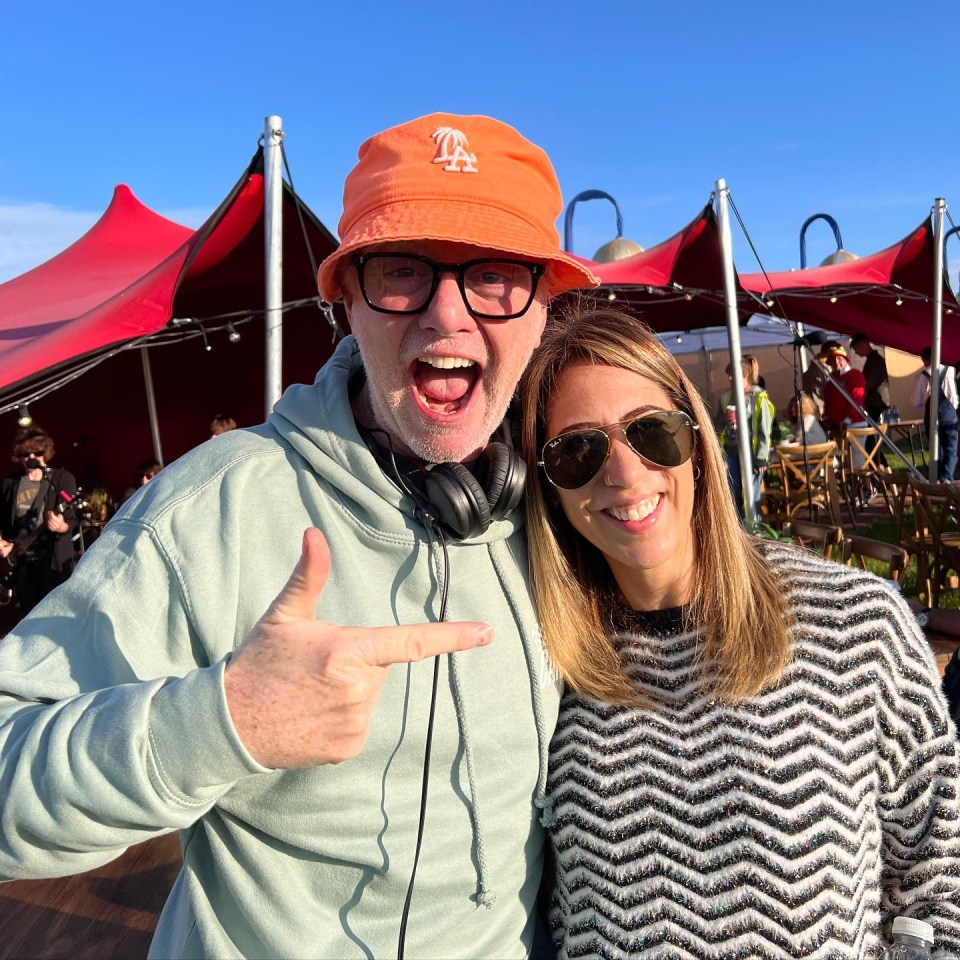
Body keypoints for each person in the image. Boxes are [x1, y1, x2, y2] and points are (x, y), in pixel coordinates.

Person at [0, 113, 599, 958]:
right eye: (401, 273)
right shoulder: (211, 510)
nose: (446, 317)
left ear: (546, 308)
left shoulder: (566, 507)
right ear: (344, 298)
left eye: (496, 277)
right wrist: (216, 723)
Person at [519, 305, 960, 959]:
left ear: (695, 441)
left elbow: (939, 873)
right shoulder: (539, 653)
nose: (624, 473)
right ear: (548, 486)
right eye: (577, 450)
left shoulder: (853, 622)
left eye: (651, 432)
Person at [0, 426, 81, 615]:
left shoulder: (60, 479)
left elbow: (72, 518)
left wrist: (62, 526)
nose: (32, 457)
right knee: (30, 616)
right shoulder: (10, 484)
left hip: (52, 561)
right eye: (25, 453)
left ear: (45, 453)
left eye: (37, 452)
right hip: (21, 562)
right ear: (19, 456)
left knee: (57, 614)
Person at [716, 354, 775, 521]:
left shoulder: (758, 397)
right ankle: (738, 535)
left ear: (745, 375)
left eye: (732, 374)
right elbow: (716, 426)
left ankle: (754, 534)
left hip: (752, 453)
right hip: (731, 451)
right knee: (732, 495)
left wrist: (762, 458)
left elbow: (764, 428)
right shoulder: (725, 398)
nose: (729, 378)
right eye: (728, 374)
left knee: (751, 497)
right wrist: (723, 421)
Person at [912, 346, 959, 482]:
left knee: (936, 449)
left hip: (932, 416)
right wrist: (952, 409)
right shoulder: (949, 370)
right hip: (949, 414)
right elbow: (954, 397)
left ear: (925, 359)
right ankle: (947, 478)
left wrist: (925, 404)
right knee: (951, 448)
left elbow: (915, 401)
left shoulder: (922, 376)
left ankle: (939, 479)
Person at [850, 332, 890, 467]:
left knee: (871, 441)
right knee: (871, 441)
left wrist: (855, 382)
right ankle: (880, 467)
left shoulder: (874, 361)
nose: (855, 353)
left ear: (863, 344)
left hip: (875, 405)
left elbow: (869, 383)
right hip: (873, 404)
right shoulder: (872, 360)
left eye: (856, 348)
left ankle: (880, 467)